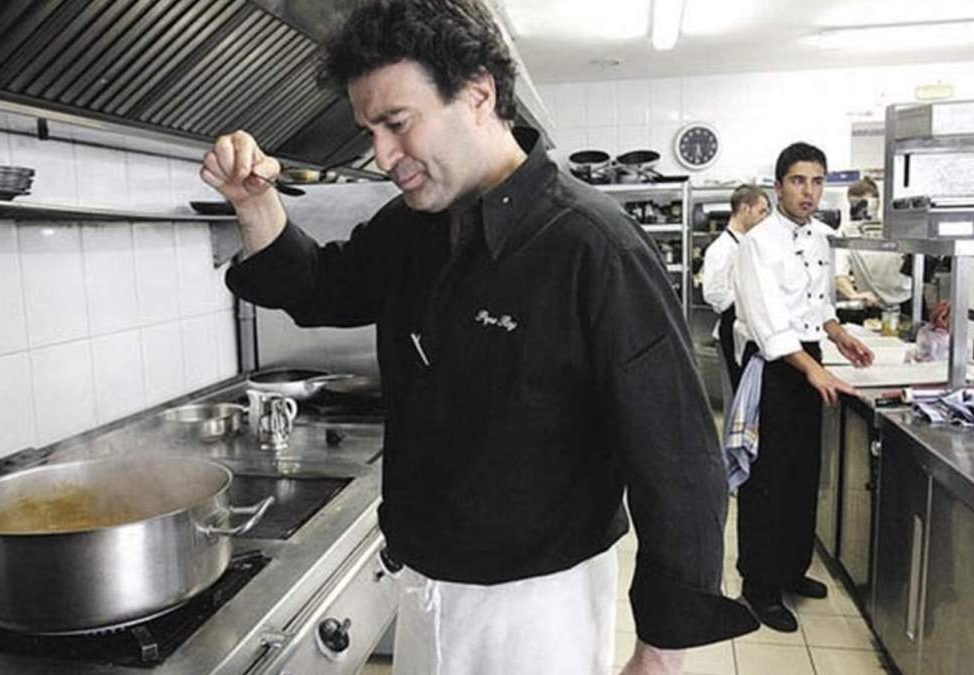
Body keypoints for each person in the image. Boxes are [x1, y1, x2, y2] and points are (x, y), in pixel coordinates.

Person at [202, 1, 755, 672]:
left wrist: (661, 653)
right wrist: (255, 202)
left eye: (397, 123)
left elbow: (677, 459)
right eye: (369, 130)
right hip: (425, 583)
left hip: (536, 609)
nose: (382, 155)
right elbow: (320, 285)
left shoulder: (590, 246)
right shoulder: (413, 228)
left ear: (477, 94)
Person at [732, 142, 874, 632]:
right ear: (778, 186)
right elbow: (768, 320)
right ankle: (759, 586)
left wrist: (839, 335)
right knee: (767, 479)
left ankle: (792, 569)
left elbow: (818, 304)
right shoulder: (758, 243)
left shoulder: (821, 237)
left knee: (803, 474)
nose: (808, 191)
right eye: (798, 181)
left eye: (817, 181)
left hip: (809, 358)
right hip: (774, 367)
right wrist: (811, 370)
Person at [701, 185, 769, 391]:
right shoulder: (721, 249)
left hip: (751, 329)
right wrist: (747, 294)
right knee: (740, 392)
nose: (765, 218)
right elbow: (713, 293)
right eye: (762, 211)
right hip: (732, 327)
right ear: (745, 209)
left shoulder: (751, 244)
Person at [835, 177, 911, 313]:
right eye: (855, 205)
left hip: (907, 299)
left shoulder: (895, 228)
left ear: (877, 203)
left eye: (864, 204)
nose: (860, 210)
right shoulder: (846, 234)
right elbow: (839, 274)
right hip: (872, 303)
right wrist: (853, 295)